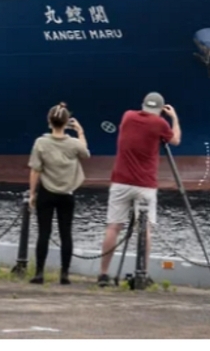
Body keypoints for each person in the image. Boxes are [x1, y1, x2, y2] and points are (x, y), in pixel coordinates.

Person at [97, 92, 181, 287]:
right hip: (145, 184)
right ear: (159, 110)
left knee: (113, 227)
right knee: (146, 230)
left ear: (142, 105)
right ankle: (142, 273)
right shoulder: (160, 124)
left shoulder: (127, 116)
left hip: (120, 181)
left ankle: (103, 274)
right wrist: (173, 117)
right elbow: (175, 140)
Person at [27, 103, 90, 285]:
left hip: (46, 192)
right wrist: (81, 132)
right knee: (66, 234)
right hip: (67, 193)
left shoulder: (41, 143)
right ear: (66, 123)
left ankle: (39, 273)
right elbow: (85, 154)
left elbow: (35, 170)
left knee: (44, 233)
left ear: (49, 122)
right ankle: (64, 274)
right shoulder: (73, 144)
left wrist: (32, 193)